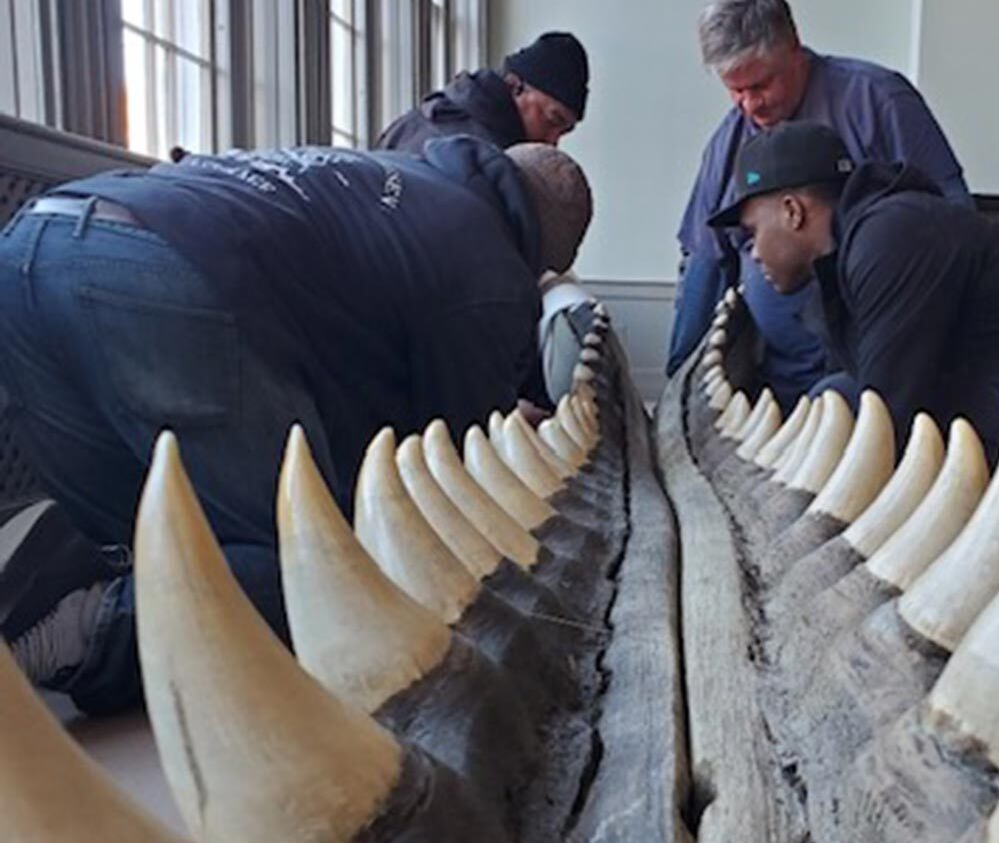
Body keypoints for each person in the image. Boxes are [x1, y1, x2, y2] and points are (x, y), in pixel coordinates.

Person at [0, 137, 592, 716]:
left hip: (37, 240)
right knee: (316, 569)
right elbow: (456, 481)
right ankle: (75, 633)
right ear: (545, 256)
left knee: (139, 526)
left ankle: (56, 564)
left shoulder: (401, 173)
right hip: (159, 280)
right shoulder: (489, 268)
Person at [710, 120, 999, 464]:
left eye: (751, 236)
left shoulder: (893, 235)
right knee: (834, 398)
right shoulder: (846, 264)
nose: (754, 255)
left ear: (792, 211)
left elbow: (885, 424)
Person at [667, 0, 970, 398]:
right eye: (735, 91)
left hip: (891, 366)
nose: (750, 105)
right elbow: (705, 261)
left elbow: (954, 218)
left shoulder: (879, 101)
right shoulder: (729, 142)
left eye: (761, 85)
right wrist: (678, 383)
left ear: (795, 48)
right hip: (785, 380)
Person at [378, 31, 589, 154]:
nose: (552, 142)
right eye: (552, 120)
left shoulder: (419, 119)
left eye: (563, 132)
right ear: (516, 87)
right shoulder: (488, 163)